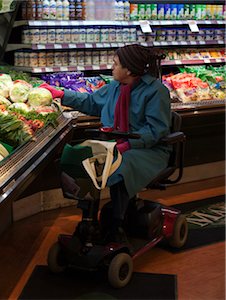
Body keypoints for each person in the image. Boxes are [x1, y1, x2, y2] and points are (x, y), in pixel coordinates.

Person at [41, 44, 171, 243]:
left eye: (115, 64)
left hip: (147, 150)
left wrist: (127, 145)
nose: (112, 67)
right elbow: (91, 102)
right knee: (79, 160)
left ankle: (115, 225)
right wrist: (61, 94)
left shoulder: (156, 91)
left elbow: (156, 130)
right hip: (113, 144)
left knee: (119, 168)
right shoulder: (114, 87)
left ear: (128, 70)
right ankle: (87, 218)